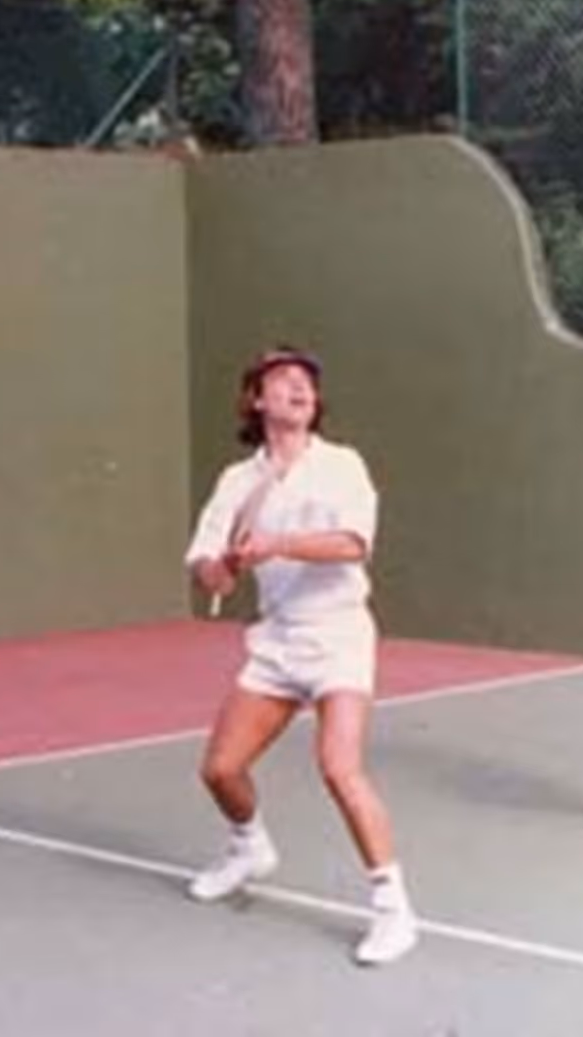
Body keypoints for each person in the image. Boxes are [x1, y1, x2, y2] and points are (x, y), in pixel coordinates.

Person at [184, 346, 418, 965]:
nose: (298, 388)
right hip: (277, 640)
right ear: (256, 400)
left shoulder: (343, 465)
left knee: (339, 766)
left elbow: (352, 544)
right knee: (220, 770)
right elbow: (208, 570)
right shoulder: (237, 482)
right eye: (282, 380)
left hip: (339, 634)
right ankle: (248, 847)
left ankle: (394, 909)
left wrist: (277, 543)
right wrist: (222, 568)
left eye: (307, 382)